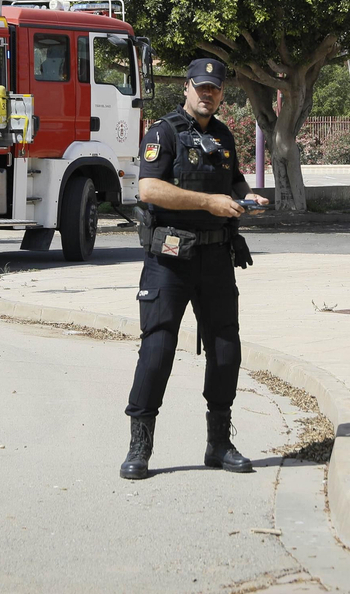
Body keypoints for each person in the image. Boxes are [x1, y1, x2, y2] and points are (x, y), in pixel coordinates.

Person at [120, 58, 270, 480]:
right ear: (187, 88)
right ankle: (140, 445)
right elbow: (148, 187)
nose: (208, 94)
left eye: (215, 89)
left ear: (222, 93)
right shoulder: (163, 133)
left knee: (225, 348)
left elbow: (233, 181)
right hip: (170, 258)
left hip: (217, 256)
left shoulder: (222, 135)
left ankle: (218, 443)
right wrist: (207, 203)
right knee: (158, 348)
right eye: (201, 87)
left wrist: (248, 196)